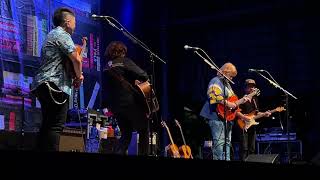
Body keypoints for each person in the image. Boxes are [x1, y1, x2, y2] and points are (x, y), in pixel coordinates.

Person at [31, 7, 84, 151]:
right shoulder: (63, 34)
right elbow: (76, 60)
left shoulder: (52, 34)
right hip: (55, 85)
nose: (75, 25)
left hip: (43, 84)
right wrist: (79, 77)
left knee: (47, 125)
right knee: (55, 126)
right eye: (74, 22)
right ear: (67, 22)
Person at [102, 41, 150, 156]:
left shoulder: (106, 67)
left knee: (125, 135)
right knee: (143, 130)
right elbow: (143, 75)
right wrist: (136, 81)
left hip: (116, 107)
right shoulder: (125, 61)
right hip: (131, 103)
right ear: (122, 52)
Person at [200, 62, 249, 160]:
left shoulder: (227, 84)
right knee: (219, 144)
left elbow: (233, 103)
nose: (231, 79)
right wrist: (229, 104)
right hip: (216, 116)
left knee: (227, 143)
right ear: (225, 72)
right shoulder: (216, 81)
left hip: (226, 119)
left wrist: (241, 106)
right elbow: (213, 96)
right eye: (231, 76)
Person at [236, 79, 271, 161]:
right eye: (250, 86)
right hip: (242, 125)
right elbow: (236, 112)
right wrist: (244, 118)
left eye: (253, 86)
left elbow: (256, 113)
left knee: (252, 148)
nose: (252, 88)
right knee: (244, 148)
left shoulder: (255, 99)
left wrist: (264, 114)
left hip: (252, 125)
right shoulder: (241, 97)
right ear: (245, 87)